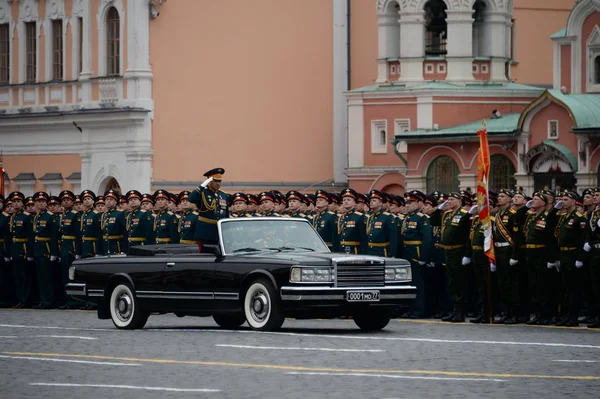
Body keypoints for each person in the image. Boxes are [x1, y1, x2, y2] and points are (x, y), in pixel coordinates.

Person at [524, 192, 558, 325]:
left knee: (543, 285)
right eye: (533, 198)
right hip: (530, 252)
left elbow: (551, 239)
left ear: (543, 203)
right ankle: (538, 314)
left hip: (541, 252)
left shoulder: (548, 217)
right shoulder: (532, 217)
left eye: (536, 199)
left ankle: (545, 315)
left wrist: (551, 258)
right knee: (534, 285)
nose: (533, 201)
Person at [555, 191, 587, 327]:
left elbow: (582, 239)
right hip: (563, 255)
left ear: (574, 201)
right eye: (562, 199)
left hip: (573, 255)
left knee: (574, 288)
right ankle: (567, 316)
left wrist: (580, 258)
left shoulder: (579, 218)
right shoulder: (564, 216)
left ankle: (573, 317)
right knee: (566, 288)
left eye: (566, 199)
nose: (563, 201)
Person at [400, 190, 433, 318]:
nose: (407, 205)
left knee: (418, 283)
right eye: (406, 202)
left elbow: (427, 239)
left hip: (416, 254)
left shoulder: (421, 218)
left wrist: (423, 257)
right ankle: (411, 308)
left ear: (419, 203)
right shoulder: (407, 218)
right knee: (410, 283)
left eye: (411, 202)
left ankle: (419, 310)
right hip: (407, 253)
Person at [440, 192, 471, 322]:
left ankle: (461, 312)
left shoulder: (464, 215)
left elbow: (468, 236)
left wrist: (467, 254)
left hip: (458, 250)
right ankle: (454, 310)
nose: (449, 202)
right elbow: (434, 220)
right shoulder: (447, 215)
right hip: (448, 252)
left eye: (452, 199)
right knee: (452, 282)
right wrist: (440, 208)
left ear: (459, 201)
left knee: (459, 282)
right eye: (448, 200)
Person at [493, 189, 522, 324]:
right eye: (499, 196)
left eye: (503, 196)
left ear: (509, 199)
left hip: (508, 251)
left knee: (511, 284)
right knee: (502, 284)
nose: (499, 198)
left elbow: (517, 237)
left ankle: (513, 314)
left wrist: (515, 255)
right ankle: (505, 312)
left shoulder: (513, 214)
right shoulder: (498, 214)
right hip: (498, 250)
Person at [188, 168, 229, 252]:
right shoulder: (202, 192)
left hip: (219, 232)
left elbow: (226, 214)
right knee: (205, 257)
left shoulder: (223, 195)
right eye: (215, 181)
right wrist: (203, 185)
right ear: (209, 181)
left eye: (219, 181)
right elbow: (191, 198)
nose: (218, 184)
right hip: (205, 232)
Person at [31, 191, 59, 309]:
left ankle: (49, 300)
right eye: (38, 201)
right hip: (38, 249)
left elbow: (54, 237)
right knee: (40, 277)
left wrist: (53, 253)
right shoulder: (37, 217)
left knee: (47, 277)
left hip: (46, 250)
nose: (41, 204)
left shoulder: (50, 217)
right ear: (35, 203)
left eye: (43, 201)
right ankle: (43, 299)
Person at [57, 190, 82, 309]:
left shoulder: (75, 215)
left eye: (68, 200)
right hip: (64, 247)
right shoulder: (63, 215)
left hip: (71, 248)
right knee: (64, 276)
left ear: (72, 202)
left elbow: (78, 235)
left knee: (71, 276)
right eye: (64, 200)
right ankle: (68, 300)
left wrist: (77, 252)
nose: (66, 202)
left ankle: (74, 301)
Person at [365, 190, 397, 258]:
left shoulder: (388, 217)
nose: (371, 202)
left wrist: (392, 254)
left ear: (380, 203)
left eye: (374, 201)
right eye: (371, 201)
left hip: (382, 251)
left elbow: (393, 238)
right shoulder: (370, 217)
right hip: (370, 251)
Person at [337, 188, 367, 254]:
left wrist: (362, 254)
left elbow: (363, 238)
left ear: (354, 202)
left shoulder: (359, 216)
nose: (346, 201)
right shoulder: (341, 217)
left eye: (348, 200)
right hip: (342, 250)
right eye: (344, 200)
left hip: (354, 250)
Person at [102, 189, 128, 255]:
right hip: (105, 246)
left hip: (116, 246)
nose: (108, 201)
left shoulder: (120, 213)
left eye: (111, 199)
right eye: (107, 199)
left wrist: (124, 249)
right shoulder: (104, 214)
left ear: (116, 202)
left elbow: (125, 232)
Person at [79, 190, 102, 258]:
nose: (86, 200)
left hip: (92, 246)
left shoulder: (96, 214)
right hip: (83, 246)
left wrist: (98, 251)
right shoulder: (83, 215)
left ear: (93, 201)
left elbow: (99, 234)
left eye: (89, 199)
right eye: (85, 199)